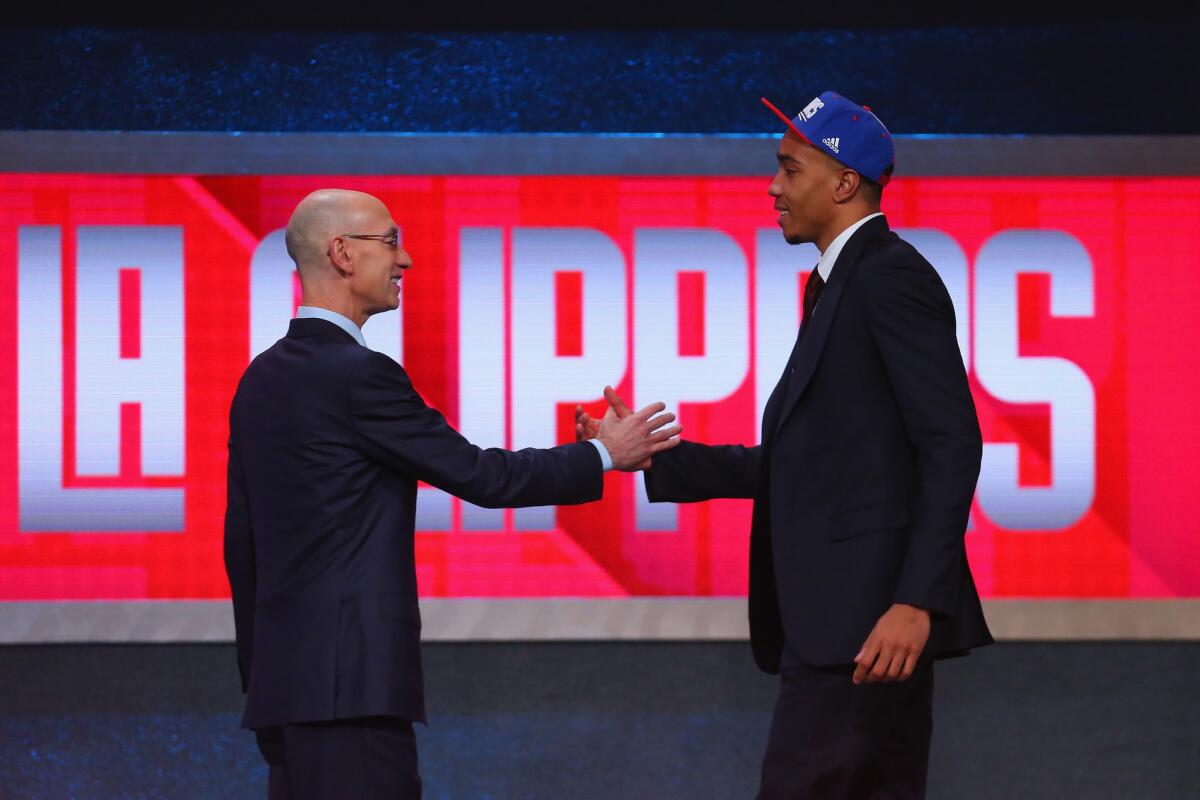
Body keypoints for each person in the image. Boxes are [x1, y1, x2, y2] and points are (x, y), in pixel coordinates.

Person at [578, 92, 992, 798]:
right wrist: (656, 456)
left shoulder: (889, 276)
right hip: (836, 626)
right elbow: (819, 464)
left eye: (790, 169)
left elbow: (952, 441)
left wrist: (915, 602)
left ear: (842, 183)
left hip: (866, 628)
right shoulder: (836, 285)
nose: (773, 187)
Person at [223, 188, 681, 799]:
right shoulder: (359, 375)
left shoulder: (261, 378)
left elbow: (242, 545)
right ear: (341, 253)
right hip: (351, 693)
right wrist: (604, 454)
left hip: (288, 693)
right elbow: (482, 476)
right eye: (390, 241)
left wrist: (262, 682)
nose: (406, 259)